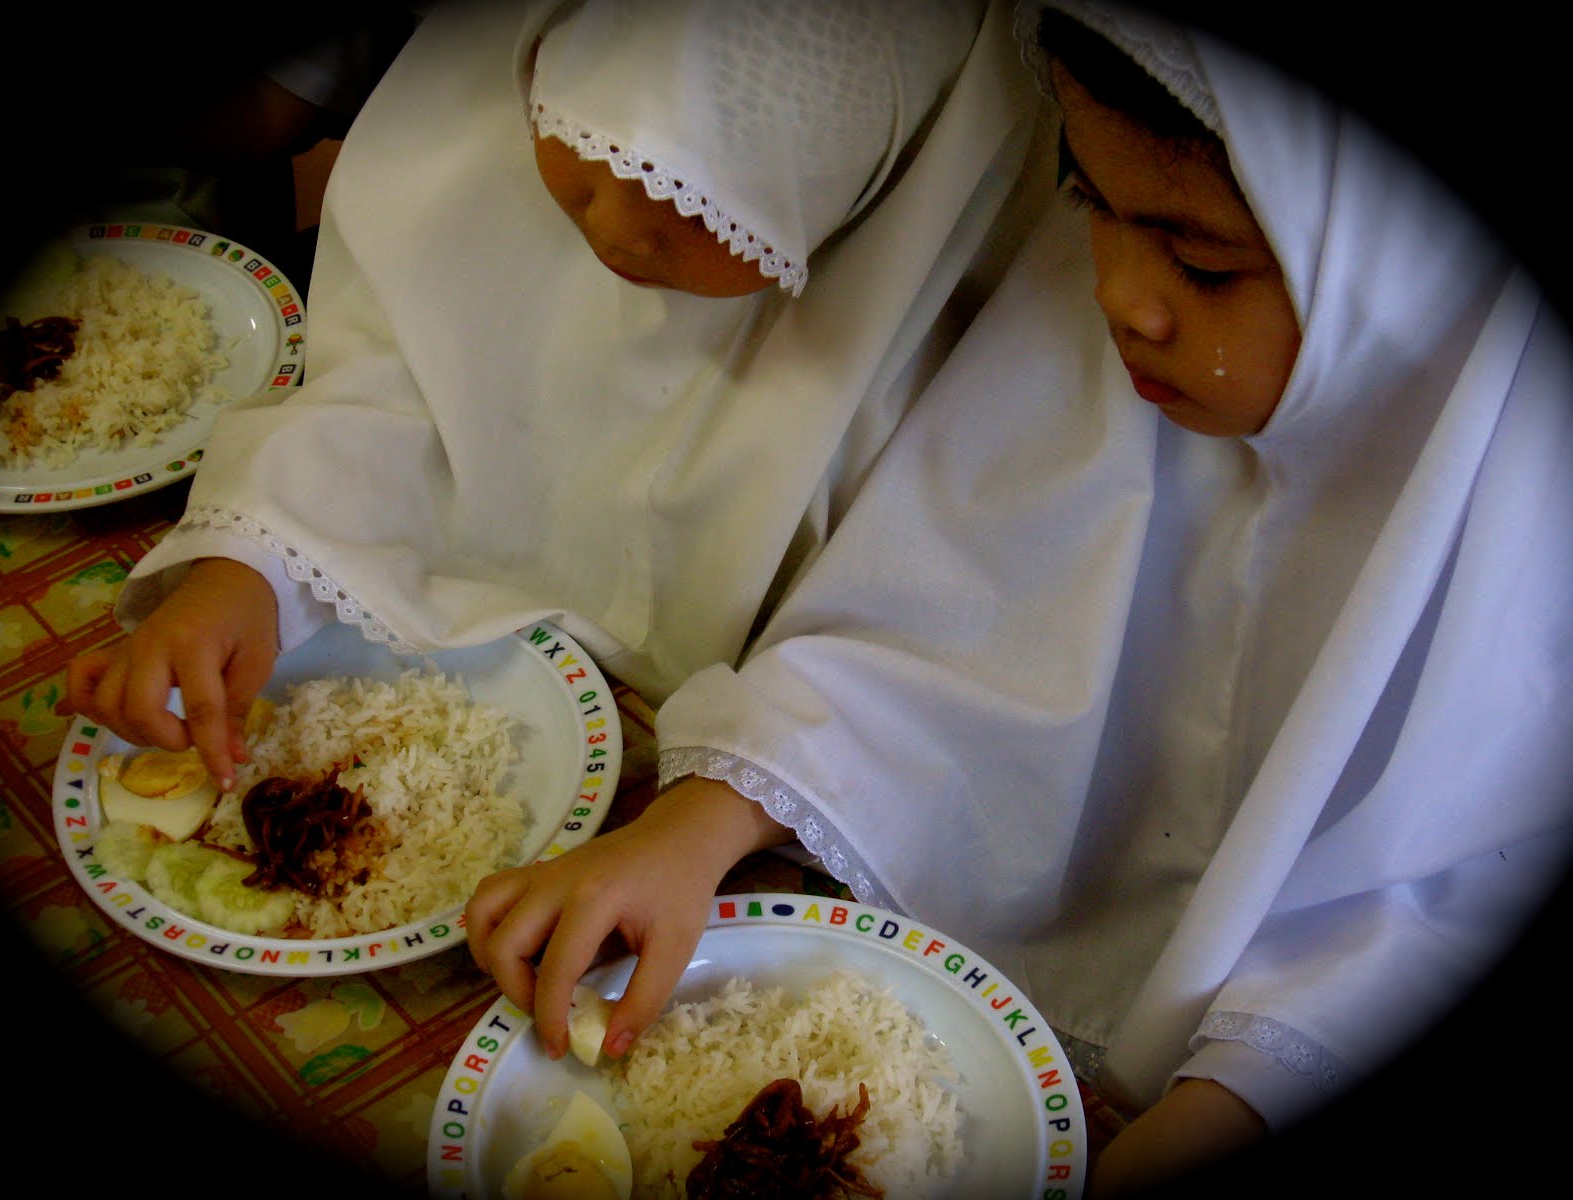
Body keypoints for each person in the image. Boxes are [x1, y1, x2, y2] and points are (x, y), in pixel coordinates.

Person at [464, 0, 1573, 1193]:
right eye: (1090, 205)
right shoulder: (1124, 350)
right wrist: (691, 830)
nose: (1122, 299)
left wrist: (1243, 1094)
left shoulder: (1528, 518)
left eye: (1203, 263)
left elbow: (1440, 905)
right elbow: (932, 622)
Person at [63, 0, 1041, 790]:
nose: (614, 228)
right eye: (589, 150)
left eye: (698, 206)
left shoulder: (957, 335)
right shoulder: (505, 128)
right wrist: (253, 565)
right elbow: (406, 380)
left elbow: (912, 648)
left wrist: (741, 787)